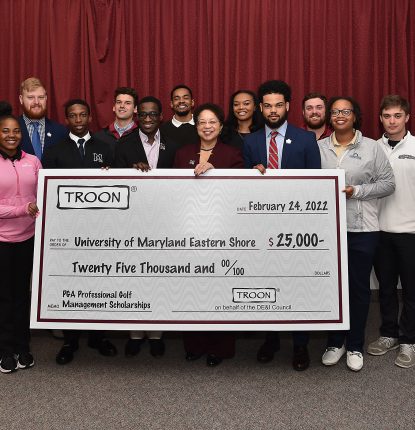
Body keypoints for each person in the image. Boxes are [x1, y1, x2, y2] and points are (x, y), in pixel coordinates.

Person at [244, 80, 321, 371]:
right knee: (268, 283)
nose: (273, 110)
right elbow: (241, 191)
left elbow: (316, 186)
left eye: (279, 105)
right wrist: (251, 176)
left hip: (297, 227)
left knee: (296, 284)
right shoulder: (250, 142)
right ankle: (271, 338)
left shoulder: (305, 140)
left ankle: (300, 344)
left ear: (288, 106)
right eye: (268, 105)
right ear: (261, 108)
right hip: (261, 228)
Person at [319, 96, 395, 371]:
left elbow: (388, 184)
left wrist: (358, 191)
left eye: (346, 111)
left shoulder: (372, 148)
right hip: (327, 229)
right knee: (331, 287)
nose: (340, 115)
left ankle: (354, 345)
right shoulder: (319, 148)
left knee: (358, 288)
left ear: (355, 116)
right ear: (330, 117)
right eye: (335, 111)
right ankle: (334, 343)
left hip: (362, 229)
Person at [42, 99, 117, 364]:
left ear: (89, 116)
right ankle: (70, 340)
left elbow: (120, 186)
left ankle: (99, 337)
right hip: (67, 229)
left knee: (99, 281)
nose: (78, 119)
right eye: (72, 115)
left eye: (82, 114)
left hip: (101, 229)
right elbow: (47, 191)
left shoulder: (106, 147)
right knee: (70, 282)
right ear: (66, 118)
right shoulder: (54, 151)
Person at [174, 103, 243, 366]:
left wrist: (216, 173)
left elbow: (240, 192)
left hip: (223, 231)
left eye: (212, 121)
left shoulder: (232, 154)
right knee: (190, 288)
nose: (207, 126)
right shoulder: (182, 154)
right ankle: (194, 344)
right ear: (196, 125)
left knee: (219, 289)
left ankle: (220, 347)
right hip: (188, 230)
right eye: (202, 121)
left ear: (221, 126)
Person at [115, 96, 177, 358]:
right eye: (144, 115)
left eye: (153, 115)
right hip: (134, 223)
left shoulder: (174, 143)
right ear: (137, 116)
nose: (148, 120)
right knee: (136, 276)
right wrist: (130, 172)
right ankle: (135, 334)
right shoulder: (124, 144)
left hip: (166, 220)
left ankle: (156, 334)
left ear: (161, 115)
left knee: (159, 276)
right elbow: (114, 180)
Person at [367, 95, 415, 368]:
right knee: (385, 288)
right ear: (381, 118)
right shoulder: (373, 149)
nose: (392, 121)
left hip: (411, 231)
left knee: (410, 290)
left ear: (407, 118)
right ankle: (388, 334)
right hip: (379, 230)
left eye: (397, 116)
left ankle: (409, 340)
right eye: (387, 116)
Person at [0, 114, 41, 373]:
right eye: (5, 131)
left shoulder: (33, 161)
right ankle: (5, 350)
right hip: (2, 240)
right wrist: (22, 209)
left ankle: (22, 347)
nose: (11, 135)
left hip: (29, 237)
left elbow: (45, 193)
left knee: (22, 296)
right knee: (4, 296)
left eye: (15, 131)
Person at [18, 77, 67, 160]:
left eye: (41, 97)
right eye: (30, 97)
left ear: (46, 98)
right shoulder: (10, 131)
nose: (36, 102)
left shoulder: (61, 131)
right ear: (21, 99)